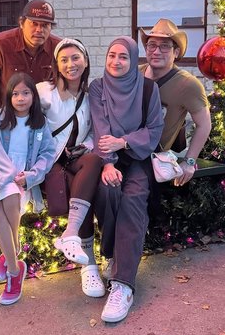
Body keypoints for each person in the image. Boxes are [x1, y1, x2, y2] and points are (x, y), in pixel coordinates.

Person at [89, 36, 164, 323]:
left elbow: (155, 128)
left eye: (123, 57)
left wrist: (124, 142)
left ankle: (123, 285)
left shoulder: (148, 88)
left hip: (138, 157)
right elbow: (99, 127)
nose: (116, 61)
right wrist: (107, 163)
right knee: (108, 191)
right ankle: (113, 258)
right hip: (108, 156)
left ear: (133, 61)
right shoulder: (97, 87)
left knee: (133, 198)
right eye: (111, 55)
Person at [0, 72, 55, 305]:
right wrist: (8, 174)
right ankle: (15, 265)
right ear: (9, 96)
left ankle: (11, 262)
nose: (20, 98)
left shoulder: (39, 124)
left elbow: (48, 153)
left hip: (22, 178)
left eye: (26, 93)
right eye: (15, 94)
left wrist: (31, 175)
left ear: (33, 97)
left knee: (5, 204)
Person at [36, 38, 105, 298]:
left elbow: (97, 131)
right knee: (82, 187)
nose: (70, 64)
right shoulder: (43, 92)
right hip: (50, 160)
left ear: (85, 61)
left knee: (94, 161)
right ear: (56, 65)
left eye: (75, 58)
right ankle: (89, 265)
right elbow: (23, 120)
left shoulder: (91, 96)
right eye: (63, 60)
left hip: (78, 157)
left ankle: (71, 234)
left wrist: (85, 146)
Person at [139, 18, 211, 185]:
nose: (156, 51)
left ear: (176, 52)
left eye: (164, 46)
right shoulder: (134, 74)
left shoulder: (188, 84)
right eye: (152, 45)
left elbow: (204, 124)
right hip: (125, 148)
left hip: (152, 159)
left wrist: (190, 162)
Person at [0, 0, 62, 115]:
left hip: (39, 114)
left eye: (45, 25)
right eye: (34, 23)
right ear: (22, 23)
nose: (39, 30)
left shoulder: (58, 48)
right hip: (3, 109)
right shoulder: (0, 44)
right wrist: (0, 112)